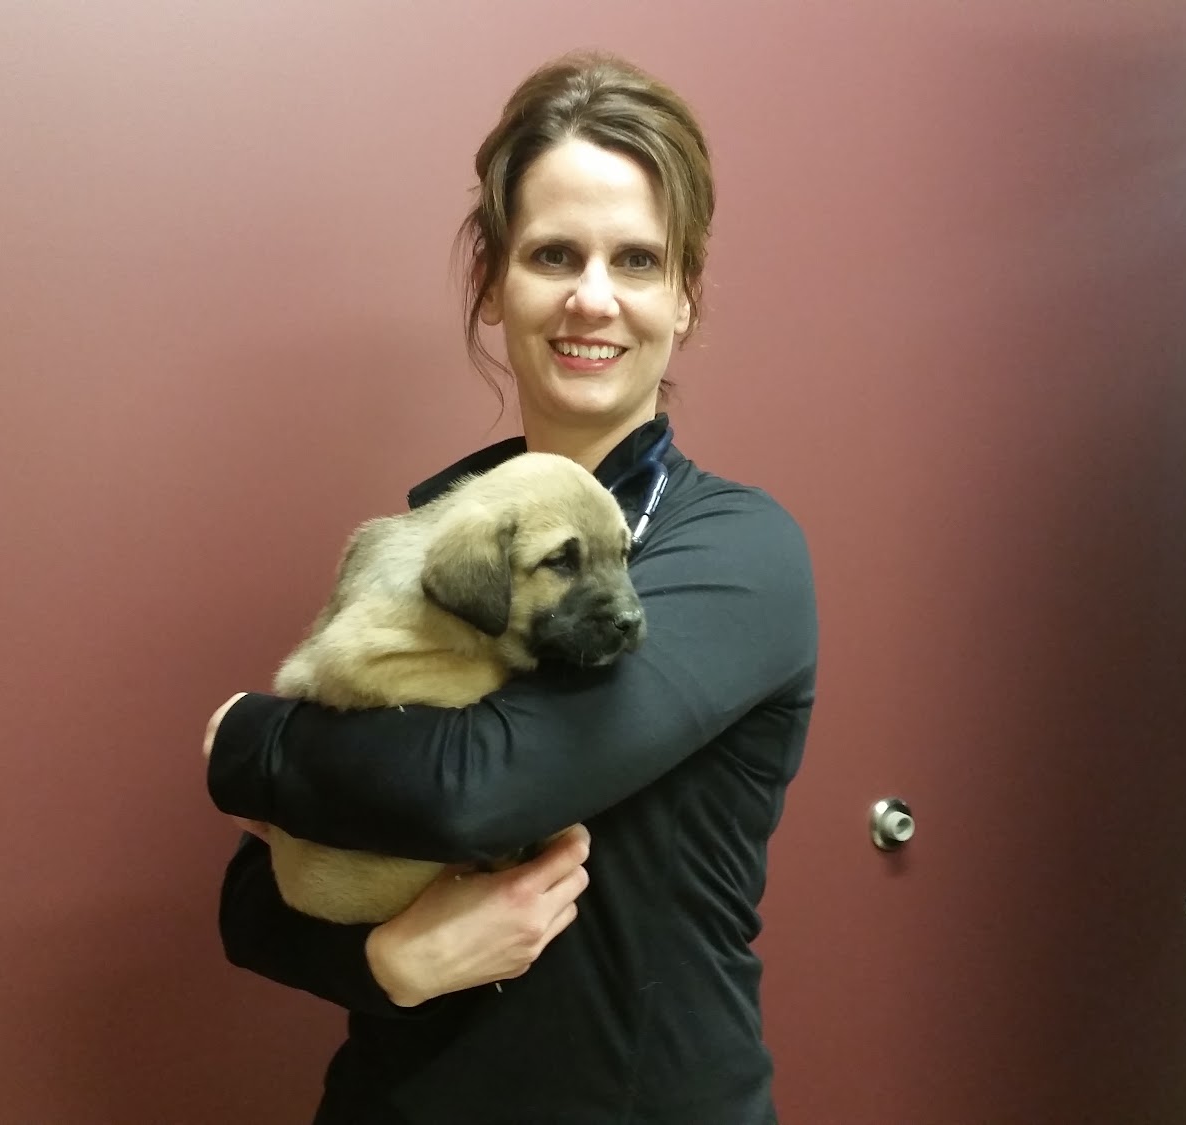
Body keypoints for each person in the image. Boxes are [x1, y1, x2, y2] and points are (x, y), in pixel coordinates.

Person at [203, 50, 818, 1125]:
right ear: (492, 283)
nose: (592, 297)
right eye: (552, 254)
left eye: (637, 260)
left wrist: (243, 741)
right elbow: (255, 896)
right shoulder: (427, 547)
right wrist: (386, 964)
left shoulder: (737, 553)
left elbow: (474, 789)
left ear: (684, 297)